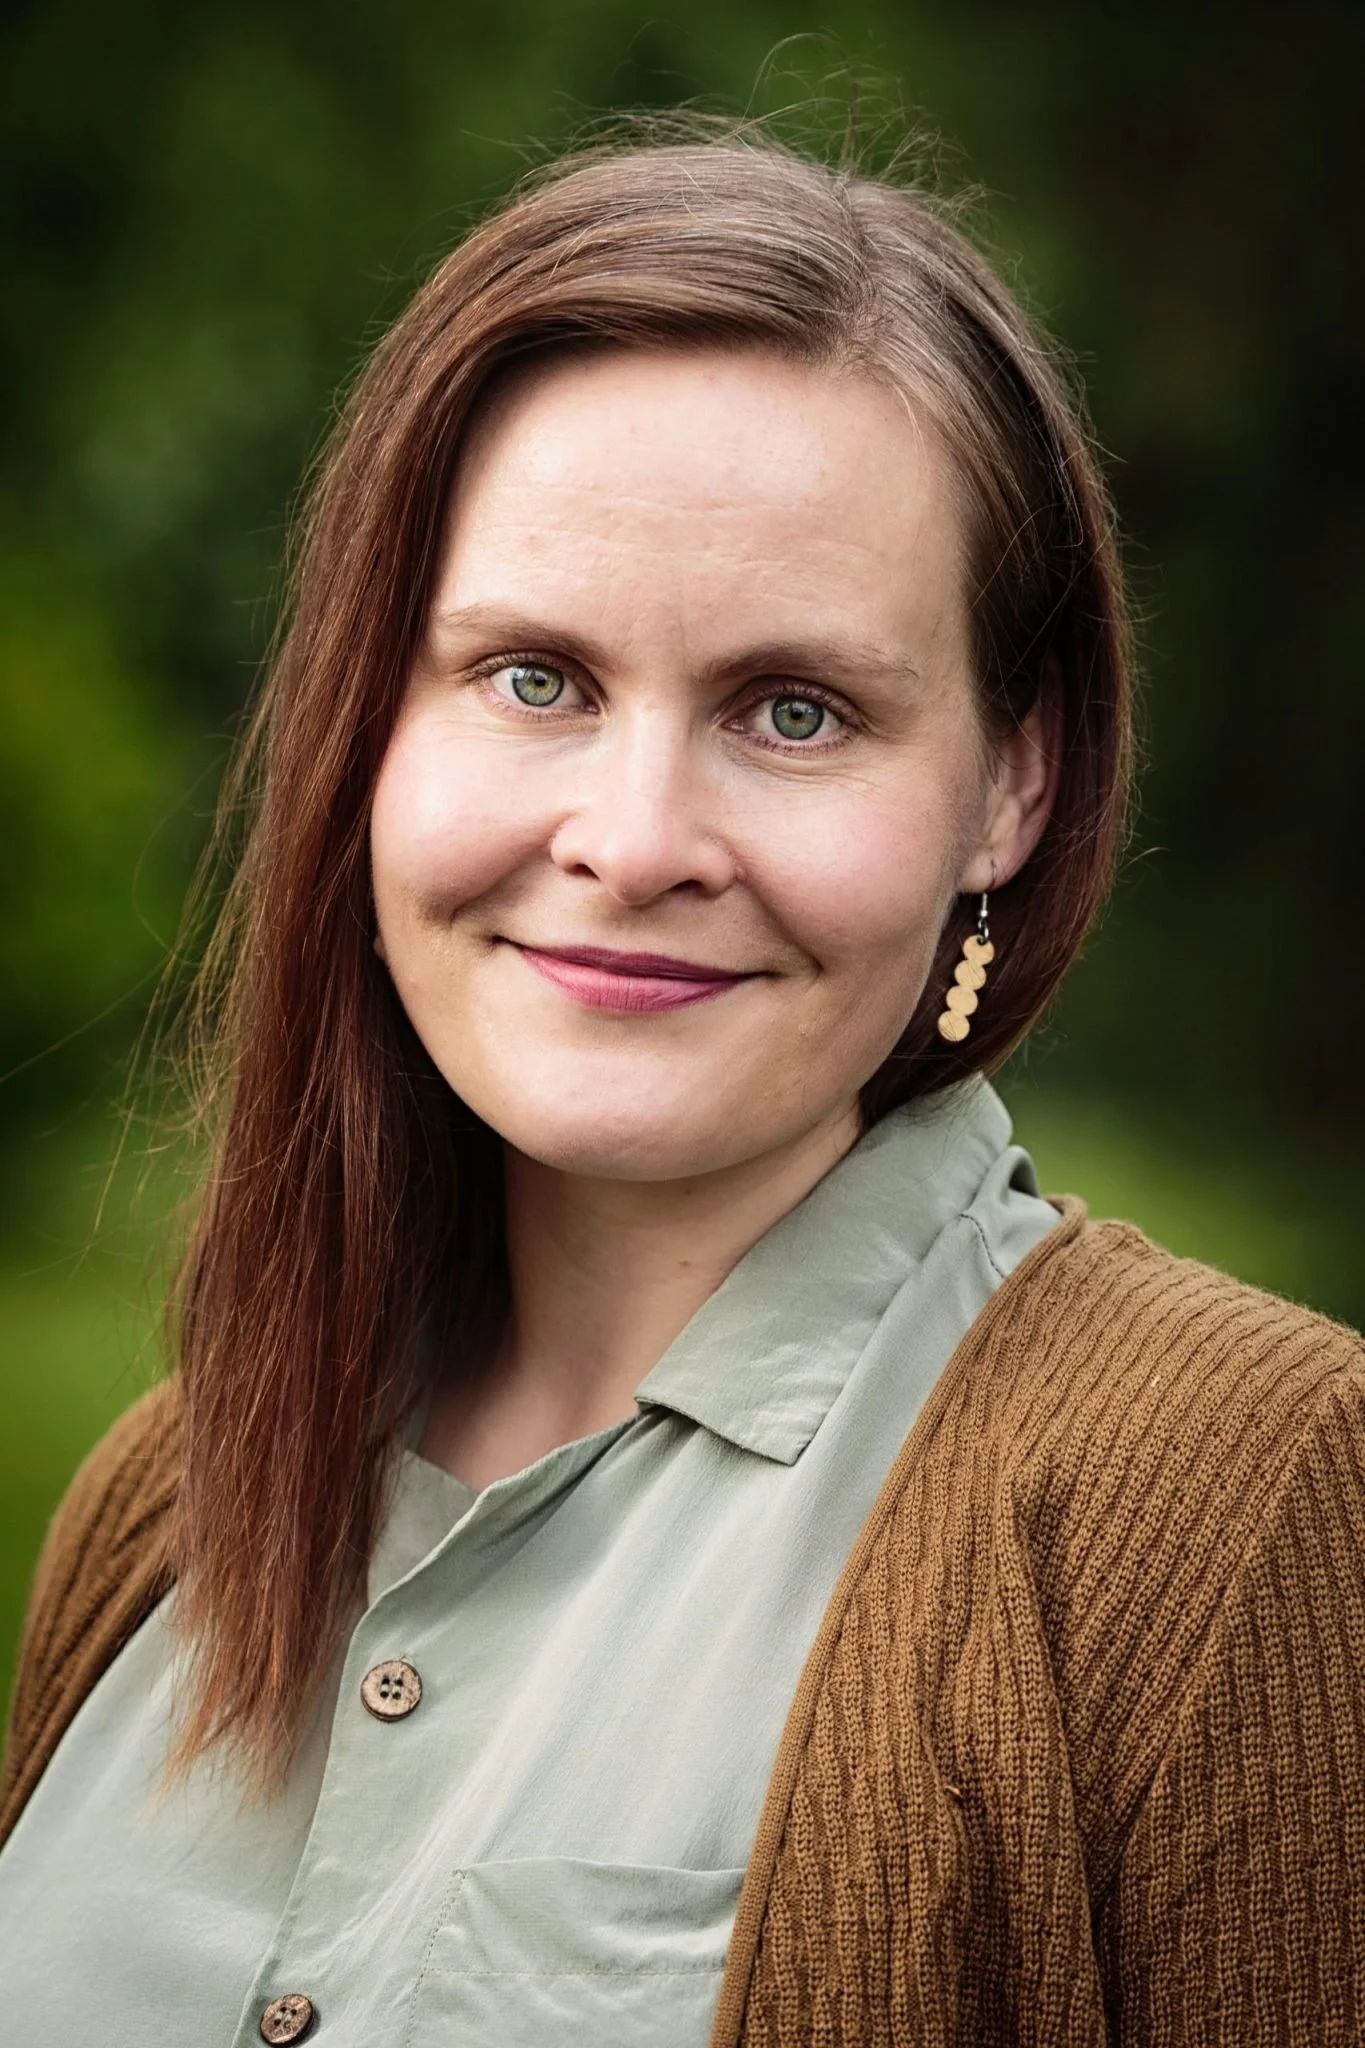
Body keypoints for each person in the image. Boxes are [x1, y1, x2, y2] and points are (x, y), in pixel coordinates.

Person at [1, 126, 1361, 2048]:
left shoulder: (1246, 1507)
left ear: (1011, 785)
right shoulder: (165, 1501)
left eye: (795, 710)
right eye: (534, 676)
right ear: (369, 721)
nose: (635, 842)